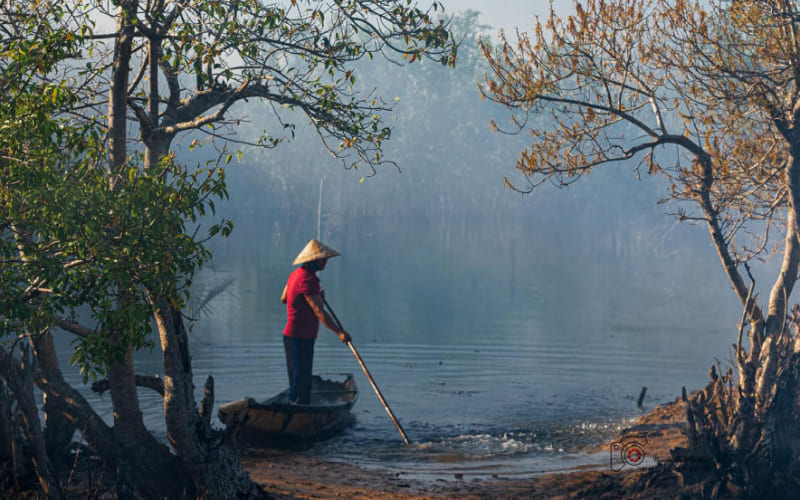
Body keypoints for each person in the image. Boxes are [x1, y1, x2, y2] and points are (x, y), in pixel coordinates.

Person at [280, 239, 351, 404]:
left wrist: (314, 296)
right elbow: (319, 312)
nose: (326, 261)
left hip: (293, 336)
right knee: (301, 381)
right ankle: (297, 415)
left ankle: (297, 409)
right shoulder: (308, 280)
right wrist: (339, 333)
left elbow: (284, 298)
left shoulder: (295, 275)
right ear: (314, 260)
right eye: (323, 258)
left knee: (298, 378)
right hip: (300, 337)